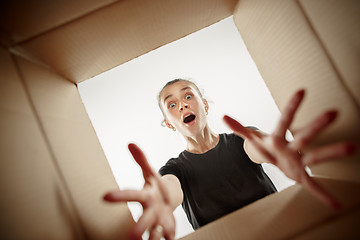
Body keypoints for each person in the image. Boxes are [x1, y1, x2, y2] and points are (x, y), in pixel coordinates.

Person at [103, 79, 355, 240]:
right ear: (169, 124)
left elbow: (260, 147)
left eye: (188, 96)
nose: (182, 105)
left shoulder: (240, 140)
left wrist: (280, 152)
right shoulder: (175, 169)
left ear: (205, 105)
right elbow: (168, 188)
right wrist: (159, 200)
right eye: (171, 105)